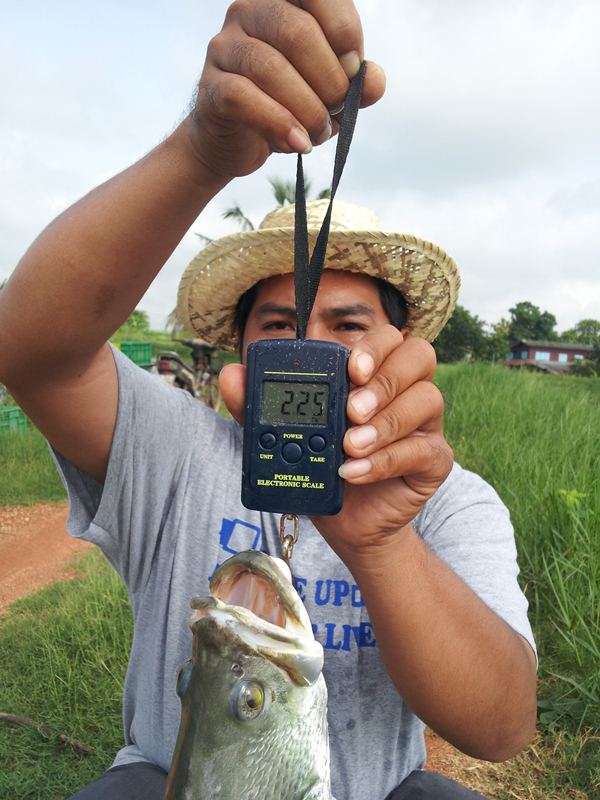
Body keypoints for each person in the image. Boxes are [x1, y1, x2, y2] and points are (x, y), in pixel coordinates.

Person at [0, 2, 537, 798]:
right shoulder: (175, 448)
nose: (312, 349)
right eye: (281, 324)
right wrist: (203, 148)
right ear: (243, 352)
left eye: (347, 325)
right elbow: (32, 351)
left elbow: (501, 727)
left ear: (400, 346)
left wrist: (381, 543)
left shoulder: (450, 502)